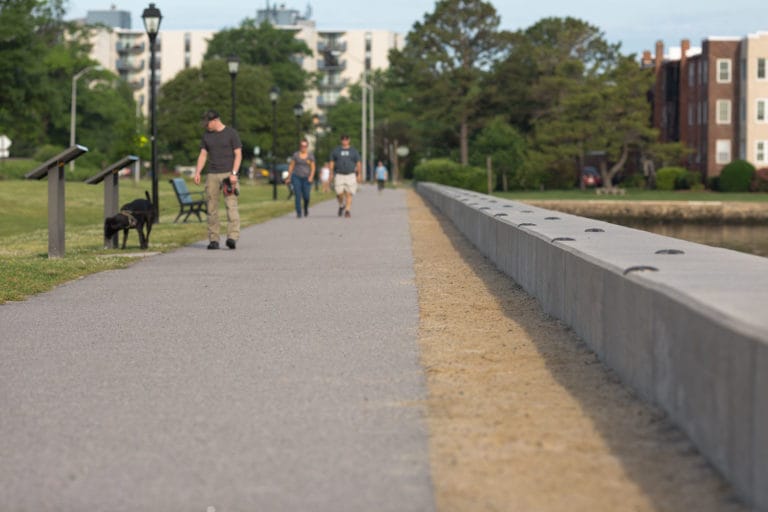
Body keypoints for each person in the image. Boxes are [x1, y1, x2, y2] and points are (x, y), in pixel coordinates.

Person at [194, 110, 242, 250]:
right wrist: (198, 171)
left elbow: (238, 154)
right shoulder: (207, 136)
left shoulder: (231, 133)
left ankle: (232, 237)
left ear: (215, 120)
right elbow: (203, 155)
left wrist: (234, 173)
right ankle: (213, 239)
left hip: (228, 175)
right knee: (211, 208)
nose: (206, 126)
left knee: (231, 206)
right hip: (212, 175)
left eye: (207, 123)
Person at [329, 134, 361, 218]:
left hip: (350, 174)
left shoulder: (353, 151)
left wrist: (359, 174)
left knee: (349, 193)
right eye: (343, 139)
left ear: (349, 140)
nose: (345, 141)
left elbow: (358, 162)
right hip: (339, 174)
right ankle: (341, 205)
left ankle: (347, 210)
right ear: (341, 140)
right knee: (339, 193)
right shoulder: (336, 150)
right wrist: (331, 173)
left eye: (346, 139)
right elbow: (332, 162)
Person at [285, 139, 316, 218]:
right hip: (296, 177)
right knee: (298, 195)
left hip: (306, 178)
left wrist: (311, 177)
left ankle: (305, 208)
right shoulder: (296, 155)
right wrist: (288, 177)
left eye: (305, 146)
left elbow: (313, 167)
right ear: (300, 146)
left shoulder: (310, 155)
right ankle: (299, 213)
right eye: (302, 146)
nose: (303, 147)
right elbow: (291, 166)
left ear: (307, 147)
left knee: (306, 196)